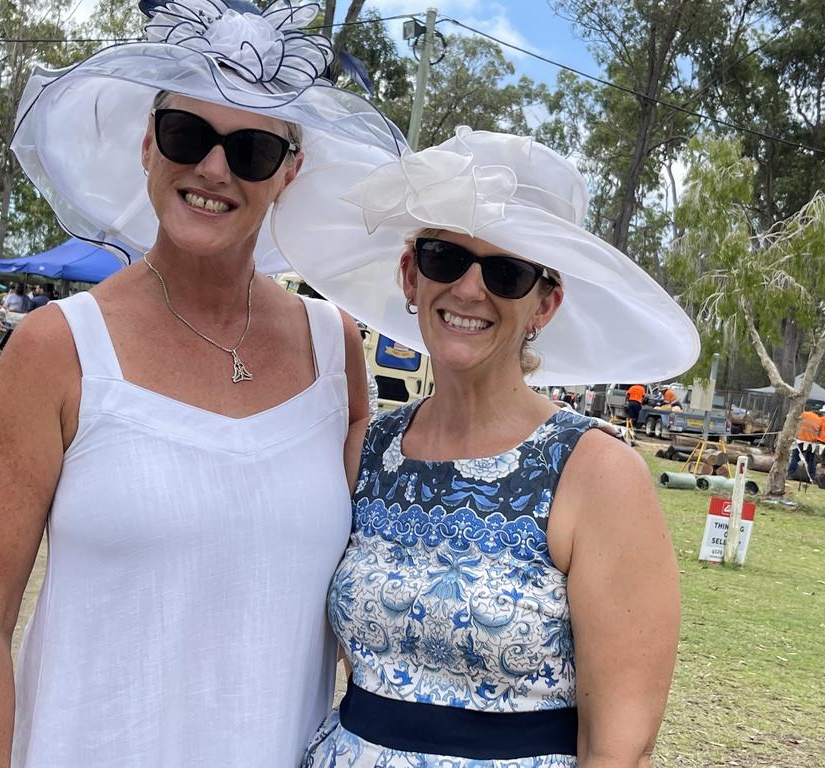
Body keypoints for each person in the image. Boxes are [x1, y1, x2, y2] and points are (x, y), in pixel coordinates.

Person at [0, 2, 404, 766]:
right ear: (147, 142)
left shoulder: (334, 350)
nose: (214, 169)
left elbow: (367, 611)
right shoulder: (59, 350)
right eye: (187, 134)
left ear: (289, 172)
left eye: (252, 149)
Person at [273, 128, 700, 767]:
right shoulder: (367, 451)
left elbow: (621, 743)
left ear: (544, 304)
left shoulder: (596, 474)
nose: (470, 290)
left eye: (506, 271)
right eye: (446, 257)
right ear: (410, 274)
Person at [788, 405, 824, 481]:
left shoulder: (804, 414)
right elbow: (819, 433)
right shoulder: (819, 420)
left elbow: (795, 423)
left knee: (795, 458)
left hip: (799, 440)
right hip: (811, 443)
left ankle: (790, 474)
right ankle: (812, 477)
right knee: (811, 461)